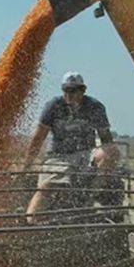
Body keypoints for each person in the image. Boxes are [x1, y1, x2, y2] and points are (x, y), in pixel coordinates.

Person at [23, 72, 119, 222]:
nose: (69, 94)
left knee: (112, 151)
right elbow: (39, 137)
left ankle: (94, 191)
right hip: (58, 155)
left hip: (86, 153)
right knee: (46, 187)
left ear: (83, 90)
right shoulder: (54, 106)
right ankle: (30, 223)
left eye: (73, 90)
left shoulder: (95, 107)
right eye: (65, 90)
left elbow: (106, 139)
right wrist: (27, 164)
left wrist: (108, 164)